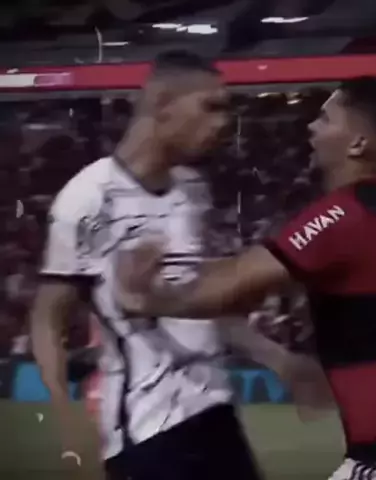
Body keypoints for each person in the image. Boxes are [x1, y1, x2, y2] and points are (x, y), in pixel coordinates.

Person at [115, 77, 376, 479]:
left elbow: (223, 289)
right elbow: (253, 278)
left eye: (325, 119)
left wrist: (145, 298)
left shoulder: (343, 215)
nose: (310, 127)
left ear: (358, 144)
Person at [29, 50, 325, 480]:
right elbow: (47, 318)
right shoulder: (90, 198)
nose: (224, 122)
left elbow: (201, 307)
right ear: (162, 105)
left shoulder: (192, 190)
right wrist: (64, 414)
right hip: (148, 432)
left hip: (216, 415)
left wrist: (278, 359)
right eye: (211, 106)